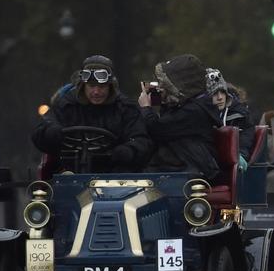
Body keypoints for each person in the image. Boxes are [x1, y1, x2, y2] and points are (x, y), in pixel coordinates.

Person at [32, 55, 152, 173]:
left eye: (102, 86)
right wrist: (50, 132)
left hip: (114, 179)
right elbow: (42, 129)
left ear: (111, 86)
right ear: (83, 85)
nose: (96, 92)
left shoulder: (125, 108)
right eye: (91, 86)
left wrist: (127, 151)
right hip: (70, 174)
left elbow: (141, 140)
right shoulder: (66, 105)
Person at [139, 54, 220, 182]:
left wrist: (145, 108)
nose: (160, 87)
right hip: (180, 166)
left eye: (164, 84)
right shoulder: (187, 105)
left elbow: (157, 130)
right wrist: (165, 100)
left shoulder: (194, 110)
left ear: (176, 85)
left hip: (193, 170)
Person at [206, 68, 255, 170]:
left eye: (222, 92)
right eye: (215, 94)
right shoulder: (201, 114)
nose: (220, 97)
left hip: (233, 162)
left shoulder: (240, 114)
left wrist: (241, 154)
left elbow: (247, 134)